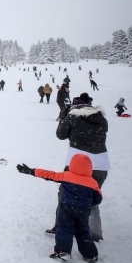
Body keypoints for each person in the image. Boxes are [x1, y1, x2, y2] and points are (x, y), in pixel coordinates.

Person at [16, 154, 101, 263]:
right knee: (83, 231)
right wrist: (86, 203)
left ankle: (63, 251)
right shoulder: (93, 183)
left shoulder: (66, 176)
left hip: (66, 208)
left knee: (64, 228)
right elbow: (98, 199)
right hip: (83, 211)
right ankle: (90, 255)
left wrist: (31, 171)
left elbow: (49, 175)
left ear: (72, 165)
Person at [47, 92, 108, 243]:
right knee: (91, 196)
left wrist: (63, 117)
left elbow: (60, 135)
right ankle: (95, 232)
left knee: (65, 194)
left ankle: (60, 225)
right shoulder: (102, 119)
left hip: (77, 164)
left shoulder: (73, 116)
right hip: (100, 164)